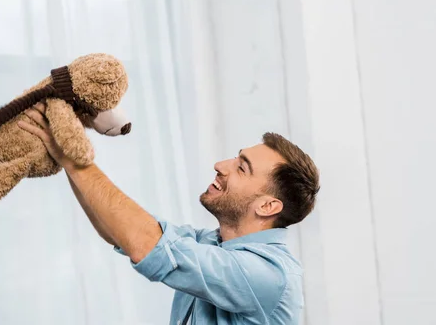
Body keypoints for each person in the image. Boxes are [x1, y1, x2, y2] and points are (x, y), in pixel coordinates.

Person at [18, 102, 320, 325]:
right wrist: (66, 157)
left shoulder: (269, 275)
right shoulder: (211, 244)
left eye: (242, 167)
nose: (221, 164)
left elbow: (146, 243)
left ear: (267, 207)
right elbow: (120, 232)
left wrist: (72, 157)